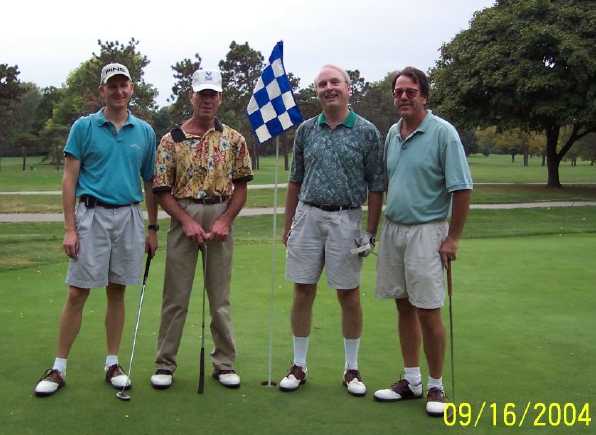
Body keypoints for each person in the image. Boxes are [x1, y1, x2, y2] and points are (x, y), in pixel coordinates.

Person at [33, 63, 158, 397]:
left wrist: (152, 227)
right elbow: (69, 179)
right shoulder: (84, 127)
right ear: (102, 90)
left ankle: (112, 364)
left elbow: (150, 182)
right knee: (77, 292)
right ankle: (58, 368)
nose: (118, 91)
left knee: (117, 290)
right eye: (112, 86)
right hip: (91, 216)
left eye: (123, 85)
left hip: (129, 216)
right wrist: (69, 228)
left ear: (131, 89)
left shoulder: (144, 132)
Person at [372, 67, 473, 417]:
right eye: (398, 92)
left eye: (410, 91)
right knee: (403, 306)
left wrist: (453, 238)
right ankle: (412, 380)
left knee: (428, 310)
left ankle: (436, 385)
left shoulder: (444, 133)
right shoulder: (392, 133)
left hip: (428, 232)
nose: (403, 97)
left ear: (424, 96)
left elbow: (462, 189)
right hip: (394, 229)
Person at [279, 65, 384, 396]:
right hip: (308, 216)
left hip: (346, 219)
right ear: (318, 92)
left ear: (348, 88)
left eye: (334, 82)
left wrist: (370, 232)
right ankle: (298, 365)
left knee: (348, 294)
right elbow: (295, 181)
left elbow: (376, 186)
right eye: (322, 84)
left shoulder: (367, 132)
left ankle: (352, 369)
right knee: (303, 290)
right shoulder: (306, 130)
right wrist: (288, 225)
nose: (328, 88)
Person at [150, 69, 253, 390]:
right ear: (191, 96)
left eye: (213, 94)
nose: (207, 100)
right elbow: (161, 190)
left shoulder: (234, 139)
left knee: (219, 297)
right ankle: (165, 363)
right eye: (202, 94)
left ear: (220, 98)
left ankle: (224, 363)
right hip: (184, 214)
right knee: (175, 296)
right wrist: (186, 221)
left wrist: (225, 220)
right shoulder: (171, 140)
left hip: (221, 213)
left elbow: (241, 188)